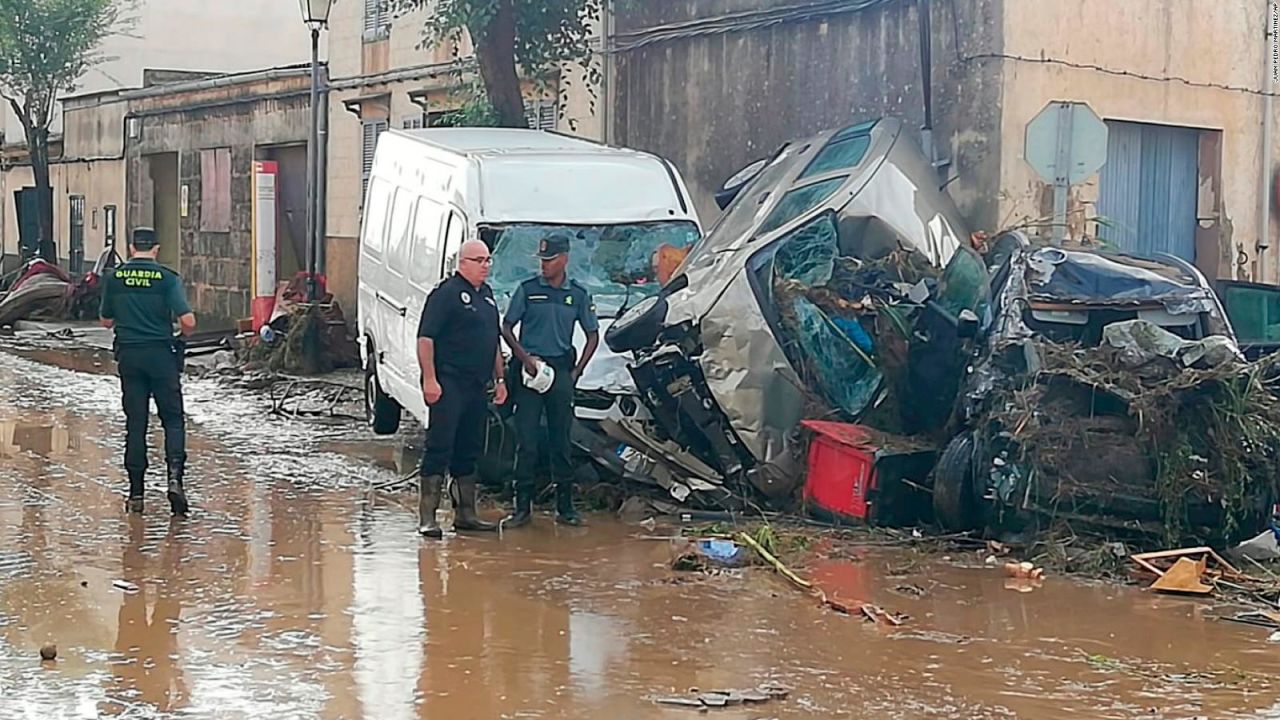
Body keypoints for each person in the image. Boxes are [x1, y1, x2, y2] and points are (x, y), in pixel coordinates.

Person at [501, 233, 599, 527]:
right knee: (527, 441)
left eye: (550, 260)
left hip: (560, 372)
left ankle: (565, 508)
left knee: (561, 440)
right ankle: (522, 508)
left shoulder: (578, 294)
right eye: (542, 260)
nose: (544, 266)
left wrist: (577, 371)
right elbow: (506, 327)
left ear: (564, 259)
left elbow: (593, 335)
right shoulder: (528, 290)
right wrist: (524, 358)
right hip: (530, 373)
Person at [99, 227, 196, 516]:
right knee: (173, 419)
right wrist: (180, 335)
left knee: (135, 423)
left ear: (131, 248)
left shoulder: (114, 278)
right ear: (156, 249)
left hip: (129, 355)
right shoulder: (167, 279)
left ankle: (136, 493)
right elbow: (188, 321)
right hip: (161, 355)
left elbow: (105, 321)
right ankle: (175, 479)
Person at [416, 239, 508, 538]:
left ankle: (465, 513)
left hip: (477, 384)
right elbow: (425, 338)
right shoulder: (446, 295)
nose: (485, 266)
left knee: (468, 448)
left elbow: (493, 340)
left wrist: (500, 380)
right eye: (479, 260)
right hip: (449, 382)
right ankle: (428, 516)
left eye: (488, 260)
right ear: (463, 263)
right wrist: (430, 379)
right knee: (440, 446)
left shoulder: (488, 297)